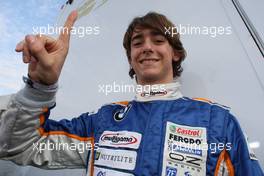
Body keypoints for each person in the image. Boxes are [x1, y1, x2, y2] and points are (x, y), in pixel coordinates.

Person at [0, 10, 263, 176]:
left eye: (158, 40)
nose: (147, 47)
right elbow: (20, 146)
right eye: (138, 43)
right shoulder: (102, 121)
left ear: (175, 53)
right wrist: (41, 87)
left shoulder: (217, 121)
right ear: (130, 58)